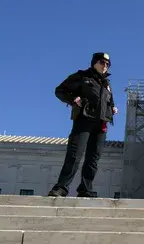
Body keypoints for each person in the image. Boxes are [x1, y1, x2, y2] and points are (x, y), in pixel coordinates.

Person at [48, 52, 118, 197]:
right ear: (94, 62)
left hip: (101, 125)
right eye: (102, 62)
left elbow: (109, 101)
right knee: (74, 155)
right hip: (84, 121)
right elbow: (60, 91)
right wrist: (73, 99)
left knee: (93, 159)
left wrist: (112, 108)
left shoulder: (107, 84)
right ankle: (61, 188)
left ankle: (86, 189)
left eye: (107, 64)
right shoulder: (82, 76)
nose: (105, 66)